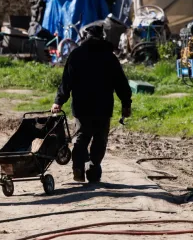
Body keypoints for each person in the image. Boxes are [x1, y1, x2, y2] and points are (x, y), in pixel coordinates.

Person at [51, 24, 132, 183]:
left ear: (85, 38)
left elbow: (66, 82)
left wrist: (58, 101)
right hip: (103, 106)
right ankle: (93, 170)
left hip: (82, 106)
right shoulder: (109, 56)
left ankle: (79, 168)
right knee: (99, 139)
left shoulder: (77, 55)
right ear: (102, 37)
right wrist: (126, 104)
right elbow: (121, 83)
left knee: (82, 137)